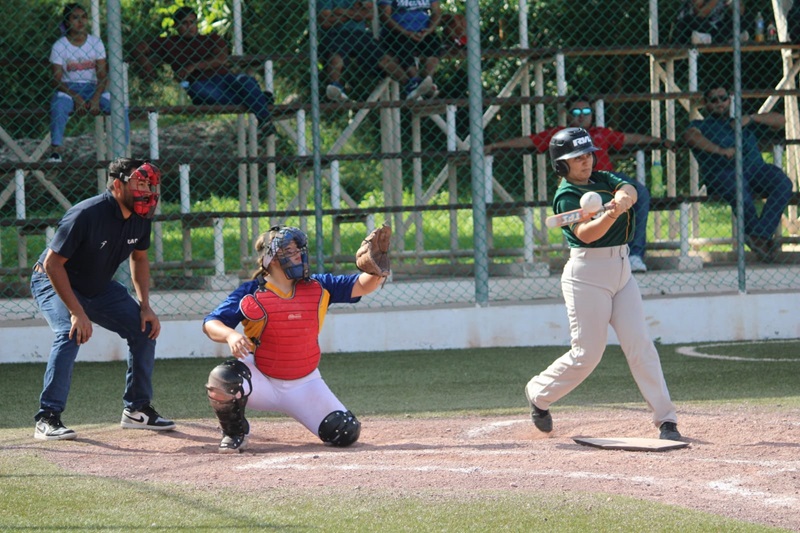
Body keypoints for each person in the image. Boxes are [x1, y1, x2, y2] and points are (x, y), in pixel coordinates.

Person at [524, 127, 681, 441]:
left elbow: (629, 190)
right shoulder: (566, 195)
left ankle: (667, 420)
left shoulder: (603, 178)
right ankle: (539, 393)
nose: (585, 161)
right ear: (561, 164)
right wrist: (609, 216)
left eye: (587, 155)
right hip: (587, 276)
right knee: (587, 355)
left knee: (640, 345)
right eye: (576, 158)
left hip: (622, 271)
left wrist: (622, 199)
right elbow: (586, 234)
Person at [202, 224, 387, 453]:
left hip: (304, 384)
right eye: (289, 250)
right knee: (223, 378)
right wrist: (230, 335)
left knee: (345, 432)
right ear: (271, 258)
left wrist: (376, 270)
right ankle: (235, 433)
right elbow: (211, 323)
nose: (298, 254)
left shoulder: (318, 285)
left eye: (298, 249)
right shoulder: (251, 292)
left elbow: (361, 286)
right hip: (261, 379)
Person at [30, 158, 175, 440]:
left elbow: (139, 258)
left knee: (144, 329)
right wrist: (77, 312)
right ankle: (47, 418)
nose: (147, 191)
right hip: (53, 280)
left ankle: (137, 410)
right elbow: (52, 264)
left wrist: (145, 306)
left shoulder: (141, 216)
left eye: (149, 184)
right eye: (140, 183)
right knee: (69, 332)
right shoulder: (85, 214)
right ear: (118, 185)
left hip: (97, 286)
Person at [486, 95, 676, 272]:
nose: (581, 116)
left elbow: (630, 138)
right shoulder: (561, 135)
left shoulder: (600, 133)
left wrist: (660, 141)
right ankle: (597, 257)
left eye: (586, 112)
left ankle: (633, 255)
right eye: (576, 112)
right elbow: (528, 141)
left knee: (639, 192)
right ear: (568, 115)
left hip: (606, 178)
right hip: (581, 182)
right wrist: (495, 145)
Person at [683, 87, 793, 262]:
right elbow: (690, 136)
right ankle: (760, 239)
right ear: (706, 104)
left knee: (783, 183)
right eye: (714, 100)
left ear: (729, 100)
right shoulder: (700, 125)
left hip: (756, 170)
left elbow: (781, 121)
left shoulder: (743, 122)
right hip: (724, 173)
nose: (719, 103)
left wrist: (752, 118)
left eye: (723, 98)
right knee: (738, 188)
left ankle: (759, 235)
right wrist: (720, 150)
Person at [134, 7, 275, 137]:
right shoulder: (168, 43)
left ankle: (264, 121)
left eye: (192, 22)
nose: (189, 27)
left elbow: (221, 59)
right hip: (200, 83)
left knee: (246, 81)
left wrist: (193, 66)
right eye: (184, 23)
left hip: (226, 78)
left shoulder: (211, 38)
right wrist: (146, 66)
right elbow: (139, 48)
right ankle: (259, 98)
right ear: (176, 25)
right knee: (202, 94)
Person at [48, 3, 130, 163]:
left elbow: (102, 75)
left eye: (84, 17)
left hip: (94, 88)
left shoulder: (95, 43)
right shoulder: (59, 46)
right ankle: (56, 151)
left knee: (119, 106)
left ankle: (122, 151)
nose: (80, 21)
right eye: (75, 18)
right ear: (67, 22)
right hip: (69, 89)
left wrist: (95, 98)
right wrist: (76, 97)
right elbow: (56, 79)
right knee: (58, 106)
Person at [317, 0, 425, 102]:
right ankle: (335, 86)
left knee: (384, 58)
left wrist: (341, 12)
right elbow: (326, 22)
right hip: (335, 34)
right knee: (336, 56)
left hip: (361, 35)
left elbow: (369, 14)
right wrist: (355, 13)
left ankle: (410, 85)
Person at [377, 0, 443, 100]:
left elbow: (436, 12)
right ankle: (415, 82)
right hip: (398, 31)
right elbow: (385, 16)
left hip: (423, 31)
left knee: (434, 42)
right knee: (402, 45)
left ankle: (426, 81)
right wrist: (406, 32)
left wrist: (429, 30)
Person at [673, 0, 746, 45]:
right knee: (690, 20)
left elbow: (740, 12)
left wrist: (734, 3)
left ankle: (713, 39)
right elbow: (700, 14)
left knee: (742, 19)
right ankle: (728, 39)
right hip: (693, 25)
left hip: (716, 27)